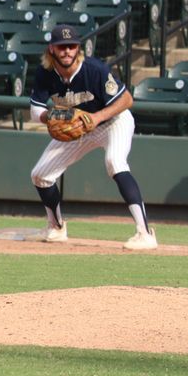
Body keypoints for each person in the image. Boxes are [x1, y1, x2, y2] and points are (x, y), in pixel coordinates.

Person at [29, 24, 157, 250]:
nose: (67, 51)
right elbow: (35, 111)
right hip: (77, 127)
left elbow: (127, 100)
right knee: (40, 175)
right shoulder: (45, 73)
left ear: (78, 48)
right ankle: (56, 228)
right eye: (61, 47)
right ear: (52, 50)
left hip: (112, 121)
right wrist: (55, 116)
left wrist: (97, 118)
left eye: (71, 46)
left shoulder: (94, 69)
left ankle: (145, 234)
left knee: (114, 163)